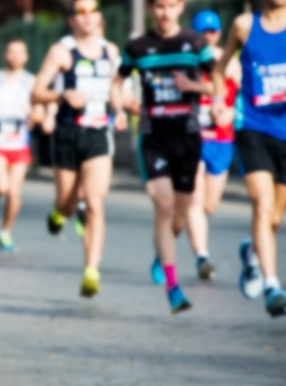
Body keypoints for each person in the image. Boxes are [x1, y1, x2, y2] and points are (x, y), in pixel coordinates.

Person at [111, 0, 215, 313]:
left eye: (171, 6)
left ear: (181, 7)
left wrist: (192, 85)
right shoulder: (137, 47)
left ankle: (162, 253)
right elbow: (118, 81)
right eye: (159, 6)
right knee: (165, 208)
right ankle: (173, 287)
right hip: (153, 137)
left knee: (180, 216)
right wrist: (120, 105)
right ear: (151, 9)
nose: (165, 12)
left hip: (188, 136)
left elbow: (218, 83)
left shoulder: (196, 43)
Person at [32, 0, 119, 298]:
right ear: (72, 20)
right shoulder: (61, 52)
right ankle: (59, 215)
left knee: (94, 202)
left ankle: (91, 270)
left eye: (91, 11)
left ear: (99, 16)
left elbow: (117, 89)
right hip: (68, 133)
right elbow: (37, 92)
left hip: (98, 133)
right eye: (80, 12)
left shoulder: (111, 51)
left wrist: (122, 109)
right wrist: (61, 95)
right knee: (68, 203)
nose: (87, 18)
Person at [213, 0, 286, 317]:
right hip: (252, 126)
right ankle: (273, 286)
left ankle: (252, 254)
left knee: (274, 218)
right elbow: (219, 69)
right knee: (262, 204)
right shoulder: (244, 26)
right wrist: (219, 101)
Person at [168, 10, 241, 285]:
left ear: (220, 34)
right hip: (193, 136)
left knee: (210, 206)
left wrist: (232, 113)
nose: (208, 37)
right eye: (203, 32)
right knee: (196, 201)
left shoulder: (231, 64)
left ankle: (180, 232)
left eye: (213, 32)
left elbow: (247, 97)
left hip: (221, 139)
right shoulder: (186, 61)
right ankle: (202, 257)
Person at [0, 39, 35, 252]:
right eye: (11, 51)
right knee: (2, 187)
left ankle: (5, 232)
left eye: (19, 52)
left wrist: (37, 116)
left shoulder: (31, 81)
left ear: (26, 56)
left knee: (13, 192)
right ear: (5, 54)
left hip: (20, 143)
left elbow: (41, 109)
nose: (15, 56)